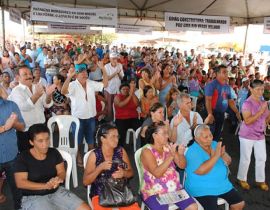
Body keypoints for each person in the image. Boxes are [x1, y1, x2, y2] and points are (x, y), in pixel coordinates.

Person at [14, 124, 90, 210]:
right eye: (40, 141)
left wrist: (57, 179)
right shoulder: (23, 158)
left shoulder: (54, 152)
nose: (45, 144)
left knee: (85, 208)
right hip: (33, 196)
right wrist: (45, 186)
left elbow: (61, 172)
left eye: (47, 139)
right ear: (31, 142)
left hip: (56, 191)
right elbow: (20, 183)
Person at [185, 124, 245, 210]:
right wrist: (216, 156)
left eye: (210, 135)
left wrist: (223, 154)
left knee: (239, 204)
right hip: (202, 188)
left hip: (222, 184)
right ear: (196, 139)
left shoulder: (215, 144)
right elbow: (201, 171)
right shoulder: (192, 151)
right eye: (206, 137)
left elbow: (228, 161)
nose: (210, 138)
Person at [140, 122, 197, 210]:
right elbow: (157, 173)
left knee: (193, 207)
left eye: (167, 133)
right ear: (154, 135)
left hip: (174, 189)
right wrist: (171, 156)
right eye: (164, 133)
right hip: (154, 192)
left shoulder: (168, 147)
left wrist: (181, 154)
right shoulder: (147, 151)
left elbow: (182, 166)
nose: (167, 136)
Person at [83, 123, 140, 210]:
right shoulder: (94, 155)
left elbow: (131, 173)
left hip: (121, 190)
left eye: (117, 136)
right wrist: (100, 168)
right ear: (103, 139)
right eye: (113, 136)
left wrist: (123, 173)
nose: (116, 139)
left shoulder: (121, 151)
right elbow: (86, 182)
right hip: (100, 193)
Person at [61, 61, 108, 166]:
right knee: (77, 141)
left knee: (91, 140)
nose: (84, 74)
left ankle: (91, 158)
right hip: (77, 119)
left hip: (91, 117)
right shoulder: (72, 85)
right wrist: (69, 77)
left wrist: (103, 69)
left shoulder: (91, 83)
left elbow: (105, 84)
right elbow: (63, 91)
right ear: (76, 75)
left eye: (85, 72)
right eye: (81, 72)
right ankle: (78, 157)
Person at [8, 66, 55, 152]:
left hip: (41, 126)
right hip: (26, 131)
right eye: (25, 74)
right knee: (28, 157)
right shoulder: (16, 91)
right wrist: (37, 95)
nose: (29, 76)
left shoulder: (37, 86)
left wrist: (48, 94)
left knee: (43, 153)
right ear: (17, 77)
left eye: (30, 73)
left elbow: (47, 104)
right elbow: (24, 107)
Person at [237, 79, 270, 191]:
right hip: (247, 135)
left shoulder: (262, 102)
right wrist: (260, 111)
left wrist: (266, 119)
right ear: (251, 89)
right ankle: (242, 178)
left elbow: (267, 118)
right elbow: (247, 121)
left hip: (260, 134)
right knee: (246, 158)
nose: (260, 92)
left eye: (262, 89)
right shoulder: (247, 103)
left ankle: (260, 180)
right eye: (258, 89)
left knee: (262, 158)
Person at [0, 85, 25, 209]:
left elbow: (22, 127)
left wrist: (14, 123)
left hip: (12, 155)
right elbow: (6, 127)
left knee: (17, 191)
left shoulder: (11, 105)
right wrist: (5, 127)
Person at [204, 65, 241, 141]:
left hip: (221, 113)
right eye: (224, 72)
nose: (226, 74)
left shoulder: (227, 87)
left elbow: (230, 101)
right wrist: (210, 114)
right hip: (212, 112)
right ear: (217, 73)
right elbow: (208, 100)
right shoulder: (212, 85)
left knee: (217, 134)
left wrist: (237, 112)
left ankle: (214, 149)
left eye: (227, 72)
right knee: (209, 134)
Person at [114, 81, 140, 146]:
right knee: (120, 133)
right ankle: (119, 148)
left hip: (133, 118)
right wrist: (130, 96)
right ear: (120, 90)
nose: (125, 91)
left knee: (140, 130)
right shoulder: (117, 97)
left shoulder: (132, 95)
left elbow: (137, 104)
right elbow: (120, 105)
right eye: (123, 89)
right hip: (121, 119)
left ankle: (138, 145)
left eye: (127, 89)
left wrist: (132, 93)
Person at [104, 53, 124, 121]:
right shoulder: (106, 66)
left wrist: (118, 73)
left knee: (117, 105)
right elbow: (106, 78)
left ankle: (117, 119)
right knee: (109, 106)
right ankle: (110, 121)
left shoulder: (120, 65)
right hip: (109, 89)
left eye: (116, 58)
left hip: (117, 88)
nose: (115, 60)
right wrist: (115, 73)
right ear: (110, 59)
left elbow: (121, 78)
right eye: (113, 59)